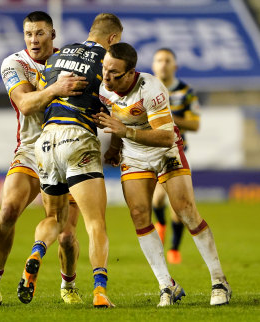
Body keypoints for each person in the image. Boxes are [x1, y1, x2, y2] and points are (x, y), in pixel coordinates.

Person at [96, 42, 231, 306]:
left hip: (165, 151)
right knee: (138, 215)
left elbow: (167, 136)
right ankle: (166, 285)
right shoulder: (104, 88)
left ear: (130, 72)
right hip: (134, 155)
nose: (107, 77)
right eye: (105, 69)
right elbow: (114, 117)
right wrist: (114, 147)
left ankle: (219, 281)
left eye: (114, 72)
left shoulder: (152, 89)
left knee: (185, 210)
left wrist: (125, 133)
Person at [0, 11, 88, 307]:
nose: (33, 40)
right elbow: (24, 104)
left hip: (67, 152)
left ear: (52, 34)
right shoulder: (14, 63)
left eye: (39, 33)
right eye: (28, 34)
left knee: (64, 232)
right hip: (30, 150)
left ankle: (69, 286)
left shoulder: (71, 62)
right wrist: (56, 89)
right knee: (8, 210)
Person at [16, 13, 123, 308]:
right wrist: (115, 143)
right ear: (112, 38)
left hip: (46, 141)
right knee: (94, 222)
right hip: (79, 140)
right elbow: (116, 104)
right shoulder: (108, 62)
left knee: (54, 219)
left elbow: (40, 96)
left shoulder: (56, 58)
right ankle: (100, 292)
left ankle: (37, 251)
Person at [151, 48, 200, 264]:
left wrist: (170, 118)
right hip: (153, 152)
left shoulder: (185, 92)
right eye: (159, 60)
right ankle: (160, 224)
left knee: (177, 205)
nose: (163, 64)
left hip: (176, 153)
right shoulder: (147, 88)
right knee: (157, 199)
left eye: (167, 60)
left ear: (175, 66)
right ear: (153, 65)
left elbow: (195, 124)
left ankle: (173, 249)